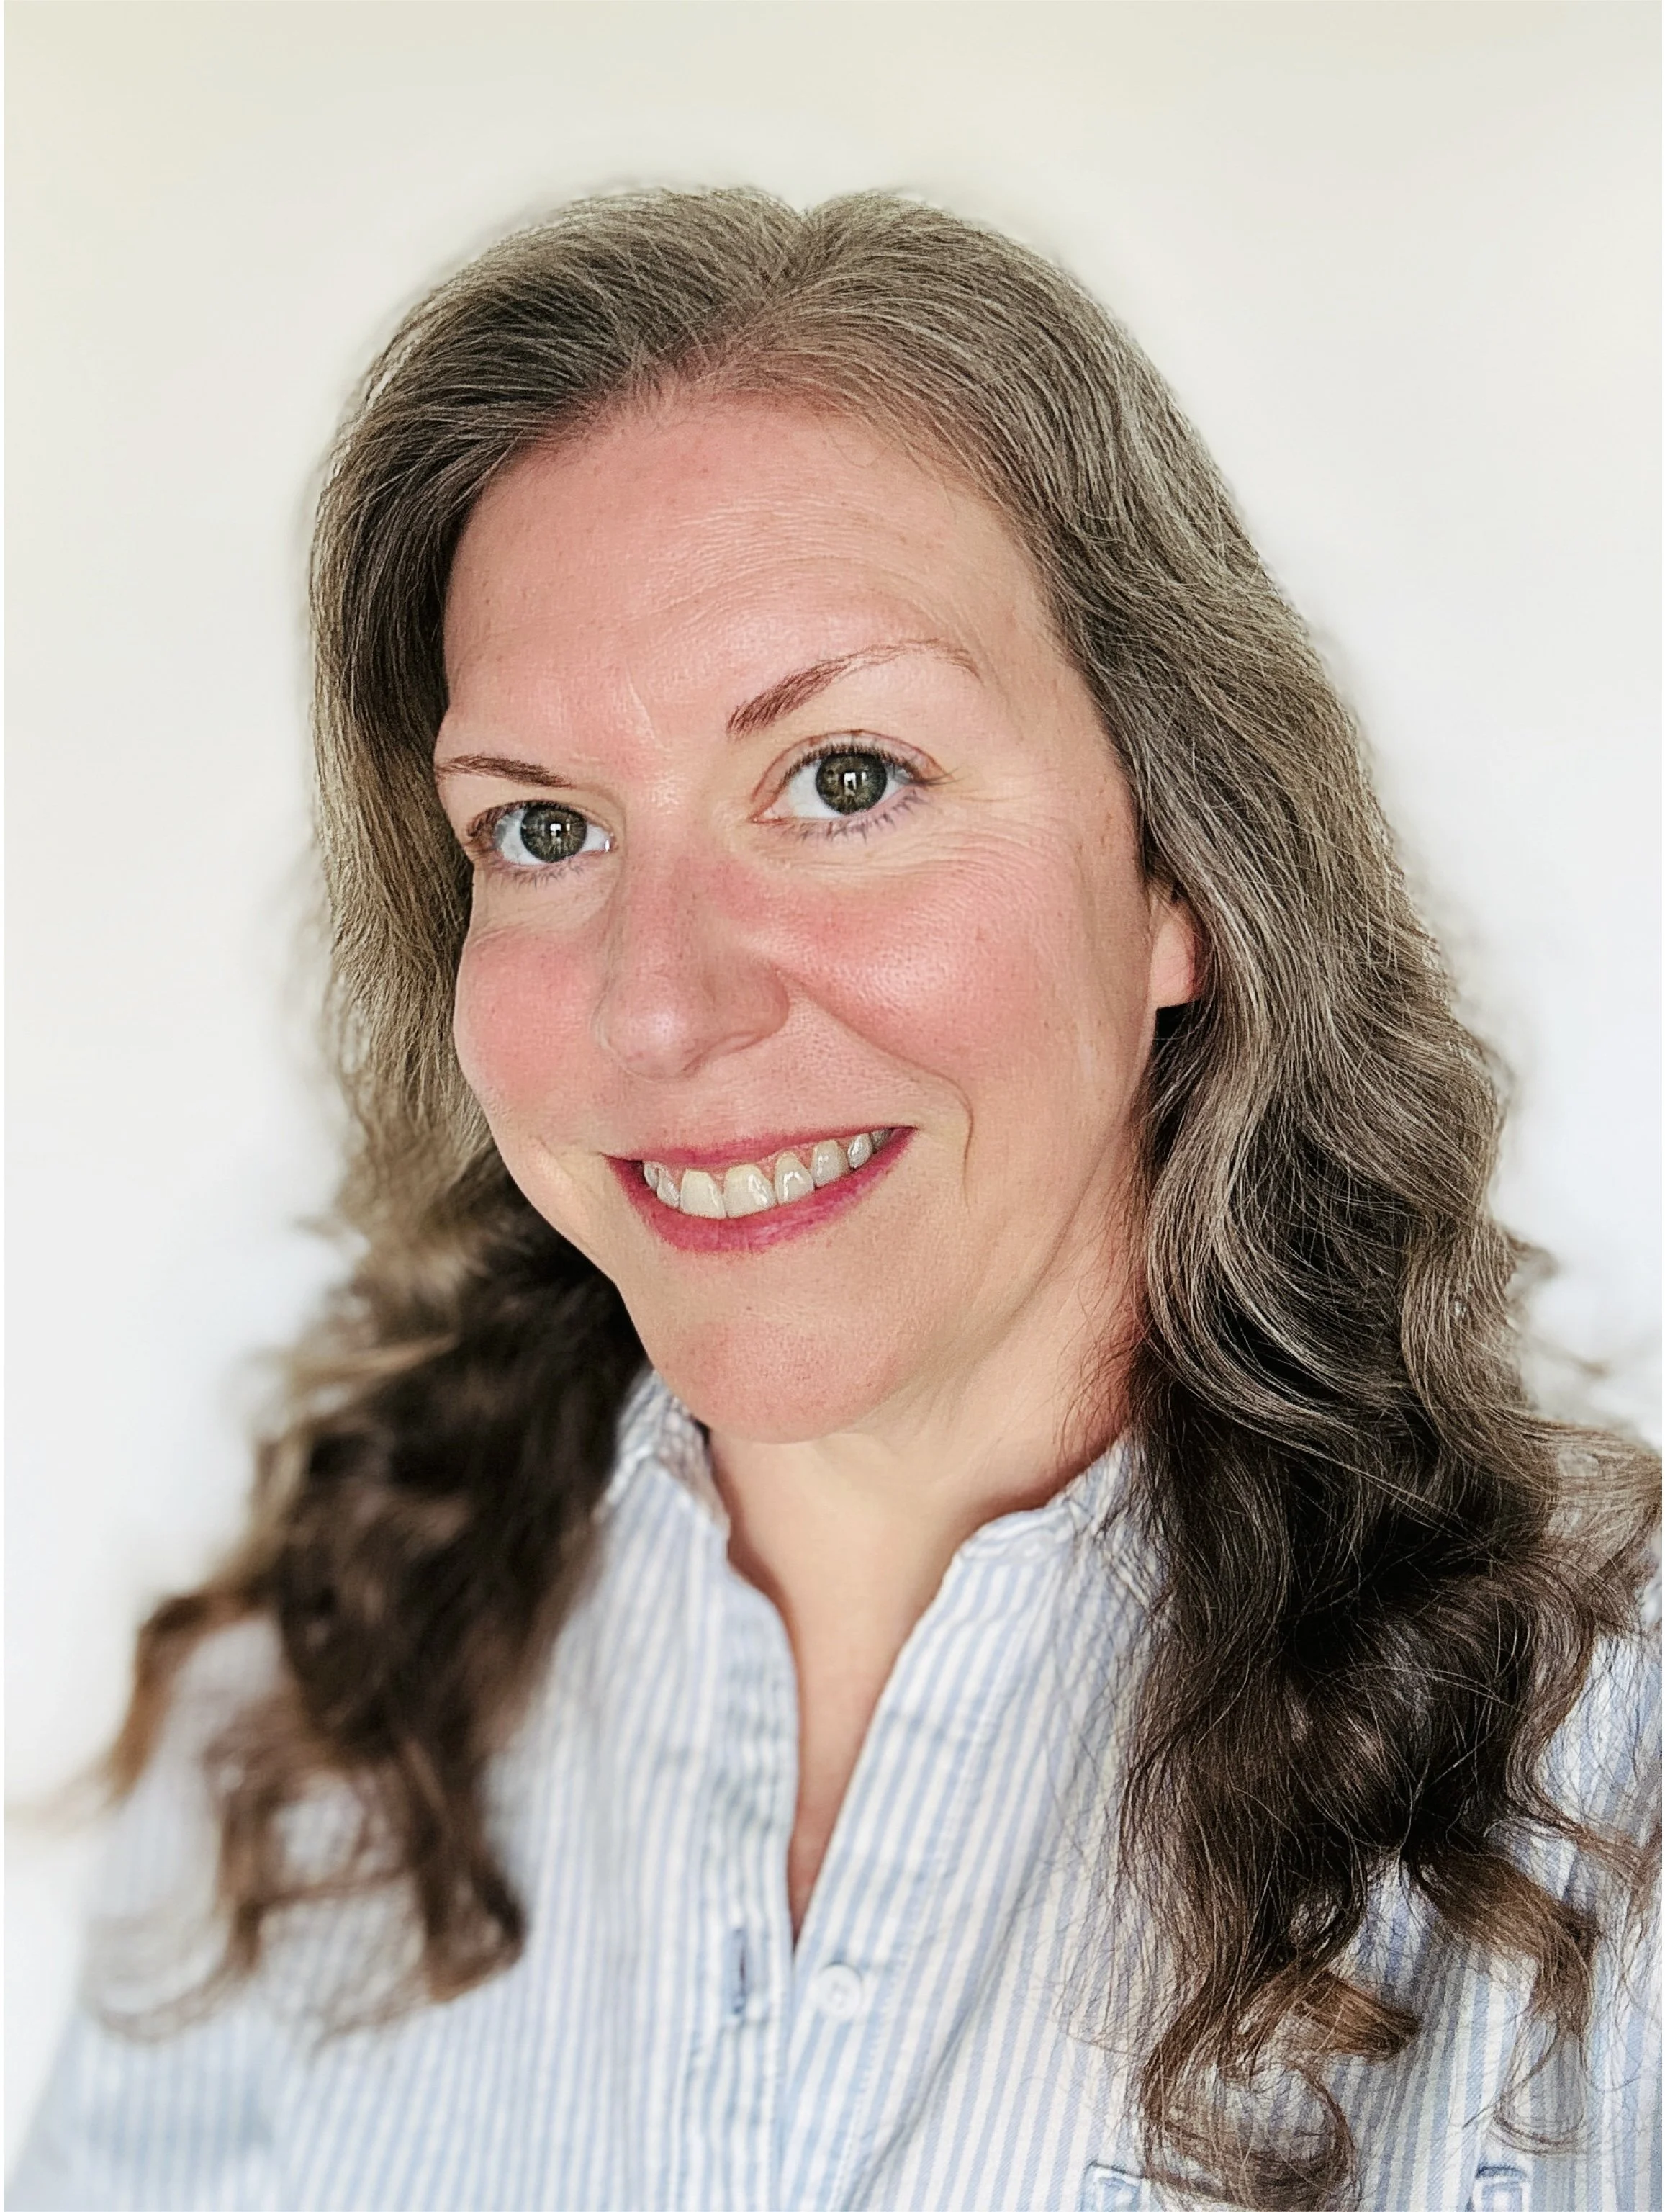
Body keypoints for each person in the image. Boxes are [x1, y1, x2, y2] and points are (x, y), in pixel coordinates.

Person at [12, 188, 1657, 2212]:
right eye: (543, 830)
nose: (662, 1007)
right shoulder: (291, 1745)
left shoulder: (1618, 1788)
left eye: (846, 779)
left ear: (1182, 874)